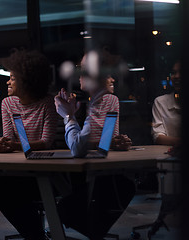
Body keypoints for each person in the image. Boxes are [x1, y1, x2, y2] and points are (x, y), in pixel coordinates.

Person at [54, 50, 134, 239]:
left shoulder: (104, 100)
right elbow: (102, 141)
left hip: (103, 185)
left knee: (63, 209)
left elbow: (78, 148)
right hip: (104, 182)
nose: (79, 72)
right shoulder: (102, 100)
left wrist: (68, 116)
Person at [0, 49, 58, 240]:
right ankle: (35, 235)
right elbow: (9, 138)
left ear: (27, 80)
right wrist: (4, 143)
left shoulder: (48, 103)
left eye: (12, 78)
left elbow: (46, 142)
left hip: (46, 171)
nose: (8, 82)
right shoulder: (8, 103)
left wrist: (13, 145)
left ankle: (35, 236)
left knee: (9, 192)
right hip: (19, 169)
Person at [151, 61, 181, 148]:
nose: (176, 76)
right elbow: (157, 136)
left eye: (182, 72)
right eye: (173, 73)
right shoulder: (161, 102)